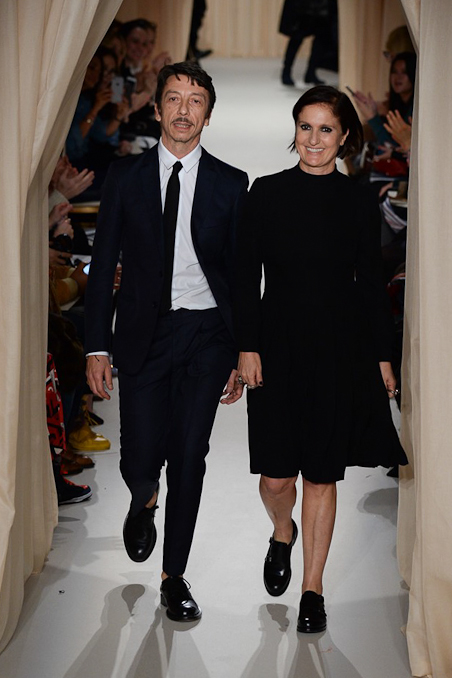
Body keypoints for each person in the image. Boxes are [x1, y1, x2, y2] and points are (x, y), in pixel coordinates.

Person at [234, 85, 407, 634]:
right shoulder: (266, 193)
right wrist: (246, 346)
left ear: (344, 136)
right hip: (276, 348)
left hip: (337, 350)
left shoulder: (357, 200)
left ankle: (313, 589)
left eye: (326, 129)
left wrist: (382, 356)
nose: (313, 139)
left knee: (321, 476)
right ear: (295, 130)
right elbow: (245, 276)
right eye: (305, 127)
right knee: (276, 478)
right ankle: (282, 531)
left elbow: (370, 284)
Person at [84, 62, 248, 622]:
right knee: (138, 455)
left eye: (195, 100)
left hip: (206, 334)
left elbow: (240, 276)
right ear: (156, 109)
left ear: (208, 114)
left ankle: (173, 576)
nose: (183, 109)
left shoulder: (231, 183)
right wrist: (96, 345)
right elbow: (103, 263)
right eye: (173, 98)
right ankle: (144, 496)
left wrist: (241, 349)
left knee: (190, 453)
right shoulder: (125, 177)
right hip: (142, 333)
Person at [279, 0, 337, 86]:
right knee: (296, 39)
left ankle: (311, 72)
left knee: (321, 40)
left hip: (322, 9)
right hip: (303, 8)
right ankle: (286, 71)